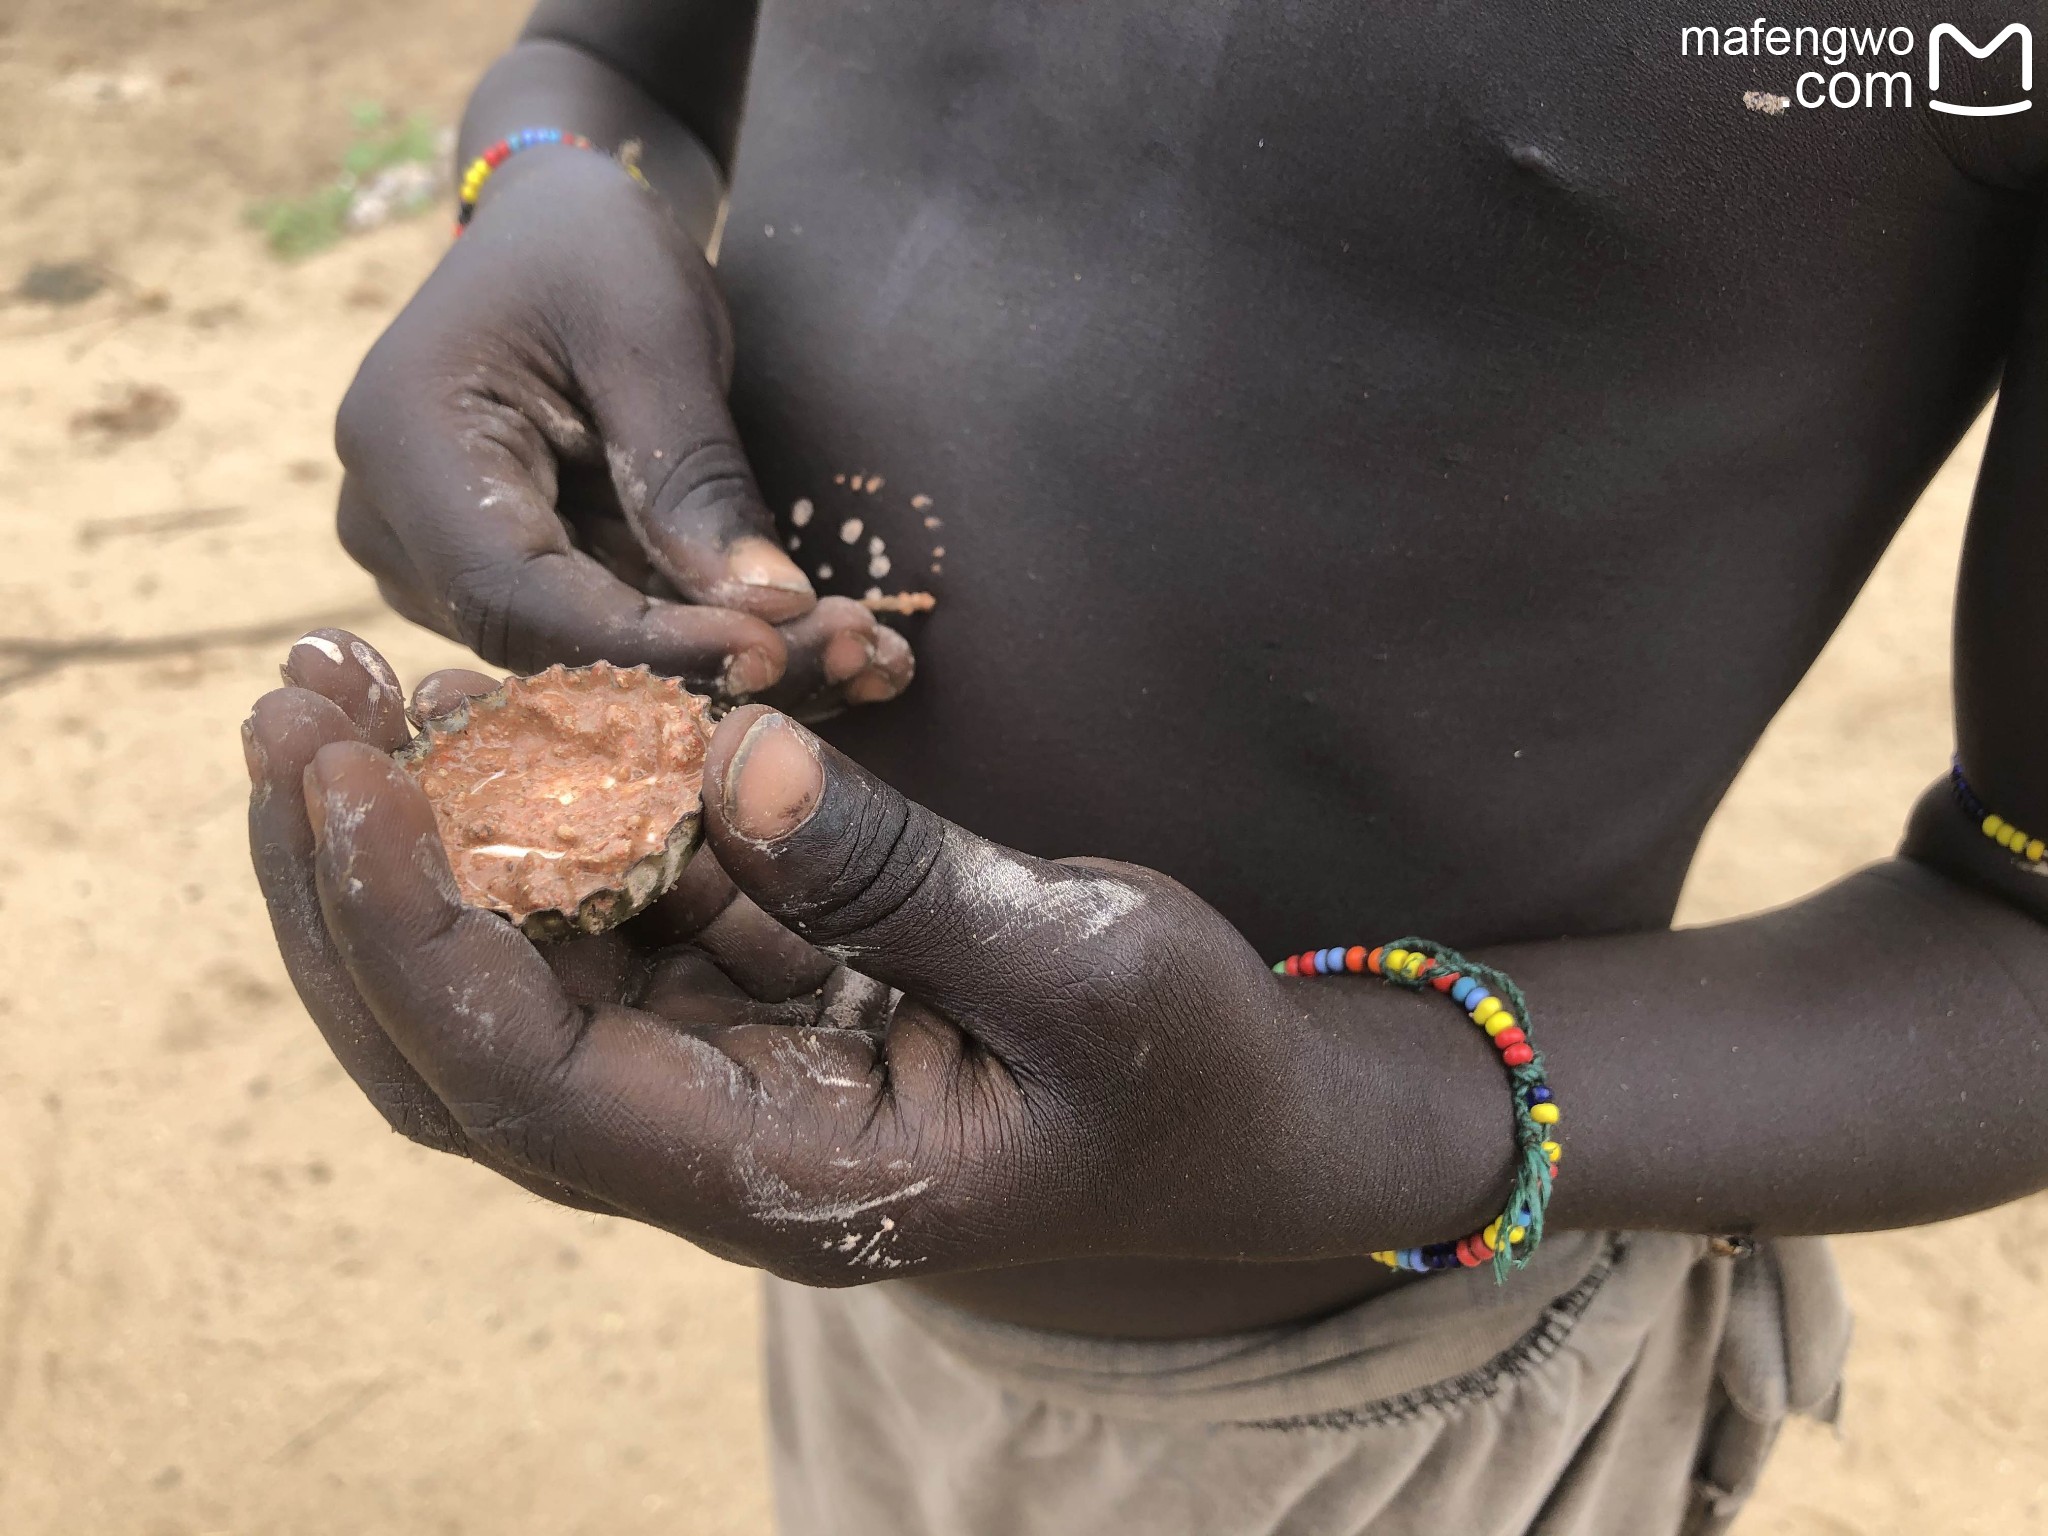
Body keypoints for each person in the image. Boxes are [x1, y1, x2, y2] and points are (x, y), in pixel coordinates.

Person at [242, 3, 2048, 1531]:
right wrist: (545, 178)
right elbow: (610, 56)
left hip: (1392, 1421)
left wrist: (1347, 1118)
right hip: (825, 1236)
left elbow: (2019, 921)